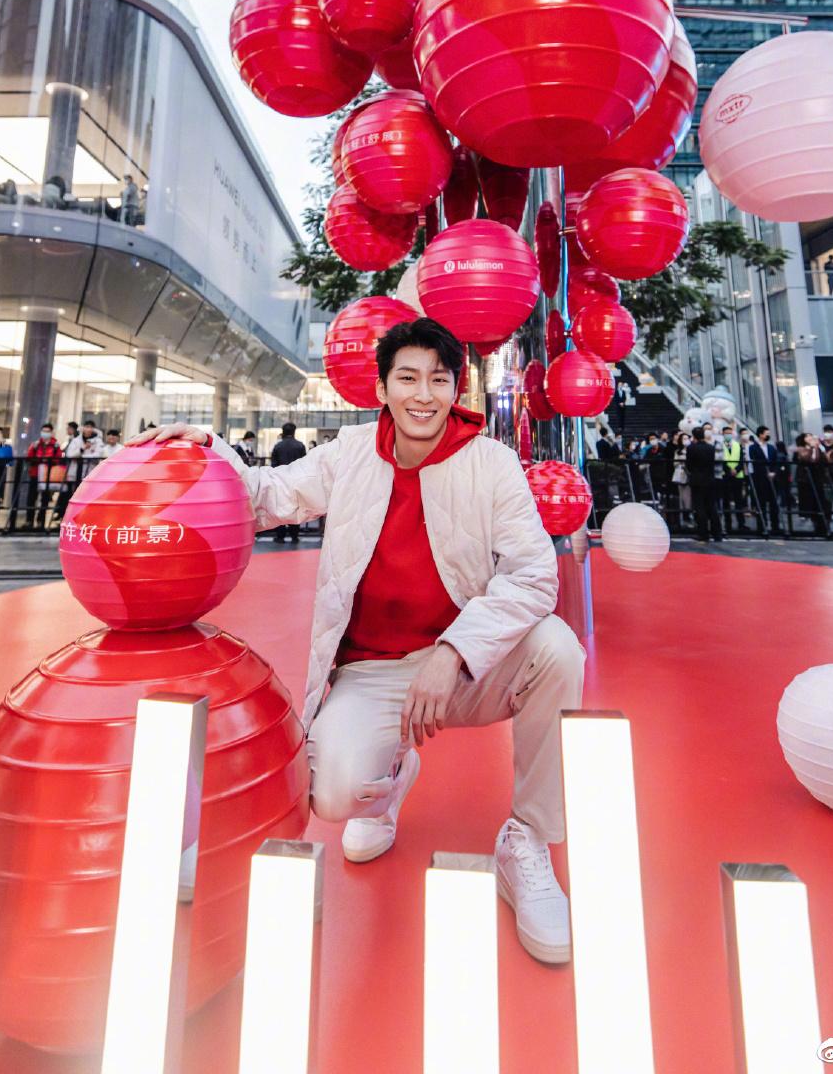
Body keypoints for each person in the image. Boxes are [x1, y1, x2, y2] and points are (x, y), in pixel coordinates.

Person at [131, 317, 585, 965]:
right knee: (335, 795)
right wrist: (208, 448)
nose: (423, 395)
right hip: (373, 672)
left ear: (456, 389)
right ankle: (390, 776)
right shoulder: (349, 452)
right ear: (382, 388)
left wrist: (455, 653)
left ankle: (528, 840)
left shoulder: (491, 463)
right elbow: (269, 495)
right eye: (407, 378)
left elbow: (535, 574)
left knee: (557, 649)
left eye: (438, 380)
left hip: (465, 667)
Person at [685, 424, 722, 542]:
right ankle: (717, 534)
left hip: (697, 480)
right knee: (712, 507)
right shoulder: (711, 448)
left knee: (700, 507)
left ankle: (703, 533)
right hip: (710, 479)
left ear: (694, 436)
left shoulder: (691, 448)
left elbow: (689, 465)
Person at [271, 421, 306, 542]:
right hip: (296, 481)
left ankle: (280, 536)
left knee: (280, 509)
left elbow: (274, 465)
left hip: (280, 481)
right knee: (295, 508)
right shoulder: (300, 446)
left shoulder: (278, 446)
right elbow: (304, 464)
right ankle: (294, 536)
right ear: (294, 432)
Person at [24, 422, 62, 529]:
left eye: (47, 431)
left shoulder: (55, 445)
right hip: (35, 474)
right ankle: (29, 521)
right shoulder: (36, 444)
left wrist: (46, 461)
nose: (45, 433)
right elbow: (29, 457)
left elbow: (58, 459)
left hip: (47, 476)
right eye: (44, 431)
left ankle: (41, 521)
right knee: (31, 498)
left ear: (51, 433)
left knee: (44, 499)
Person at [794, 433, 829, 538]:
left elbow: (824, 460)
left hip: (817, 479)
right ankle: (809, 524)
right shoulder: (801, 449)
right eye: (807, 436)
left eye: (811, 436)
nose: (811, 438)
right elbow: (808, 459)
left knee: (820, 503)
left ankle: (821, 526)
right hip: (806, 481)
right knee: (808, 502)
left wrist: (819, 448)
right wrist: (812, 449)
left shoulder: (817, 449)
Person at [749, 426, 781, 535]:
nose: (768, 435)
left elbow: (776, 462)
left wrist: (774, 472)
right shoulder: (753, 448)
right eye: (766, 433)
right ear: (760, 434)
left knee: (774, 504)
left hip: (772, 479)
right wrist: (765, 472)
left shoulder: (771, 448)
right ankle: (762, 526)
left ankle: (775, 526)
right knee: (761, 503)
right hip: (760, 479)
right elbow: (755, 463)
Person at [669, 430, 692, 532]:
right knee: (682, 497)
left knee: (689, 498)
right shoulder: (677, 451)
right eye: (684, 439)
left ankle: (689, 516)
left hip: (690, 476)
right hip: (681, 475)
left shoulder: (692, 450)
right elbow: (675, 463)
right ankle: (684, 518)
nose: (686, 440)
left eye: (687, 438)